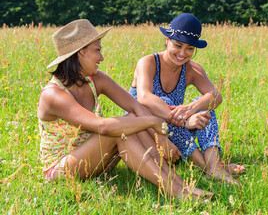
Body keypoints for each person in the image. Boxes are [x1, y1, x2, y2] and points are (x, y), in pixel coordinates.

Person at [37, 19, 212, 199]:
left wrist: (160, 137)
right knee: (121, 129)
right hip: (61, 169)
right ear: (81, 52)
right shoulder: (53, 95)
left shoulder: (95, 80)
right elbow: (102, 127)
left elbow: (136, 105)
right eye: (97, 50)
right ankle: (174, 190)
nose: (101, 57)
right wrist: (153, 122)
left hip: (96, 160)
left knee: (130, 119)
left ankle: (180, 184)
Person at [129, 13, 245, 184]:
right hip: (145, 130)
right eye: (178, 45)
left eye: (190, 48)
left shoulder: (191, 69)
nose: (183, 53)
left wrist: (192, 108)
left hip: (172, 130)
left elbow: (216, 96)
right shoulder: (147, 62)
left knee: (205, 106)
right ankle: (209, 167)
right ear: (167, 40)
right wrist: (184, 120)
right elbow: (145, 98)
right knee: (166, 102)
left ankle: (214, 167)